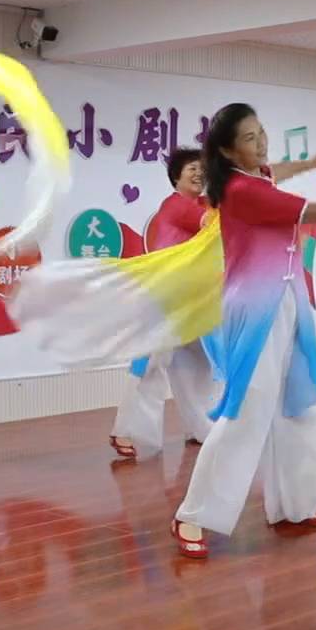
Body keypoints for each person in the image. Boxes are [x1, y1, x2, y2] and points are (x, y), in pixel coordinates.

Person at [170, 104, 316, 559]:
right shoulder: (241, 191)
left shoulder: (257, 178)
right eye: (251, 138)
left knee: (299, 404)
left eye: (262, 133)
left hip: (291, 299)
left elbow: (280, 169)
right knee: (248, 409)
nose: (262, 143)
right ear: (227, 149)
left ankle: (294, 506)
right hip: (256, 307)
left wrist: (311, 163)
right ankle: (194, 515)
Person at [109, 148, 218, 461]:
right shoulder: (176, 205)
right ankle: (124, 430)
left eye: (203, 170)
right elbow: (214, 225)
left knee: (199, 365)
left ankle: (201, 427)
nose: (199, 175)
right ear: (176, 177)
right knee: (150, 366)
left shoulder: (203, 204)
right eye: (192, 170)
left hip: (192, 302)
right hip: (164, 301)